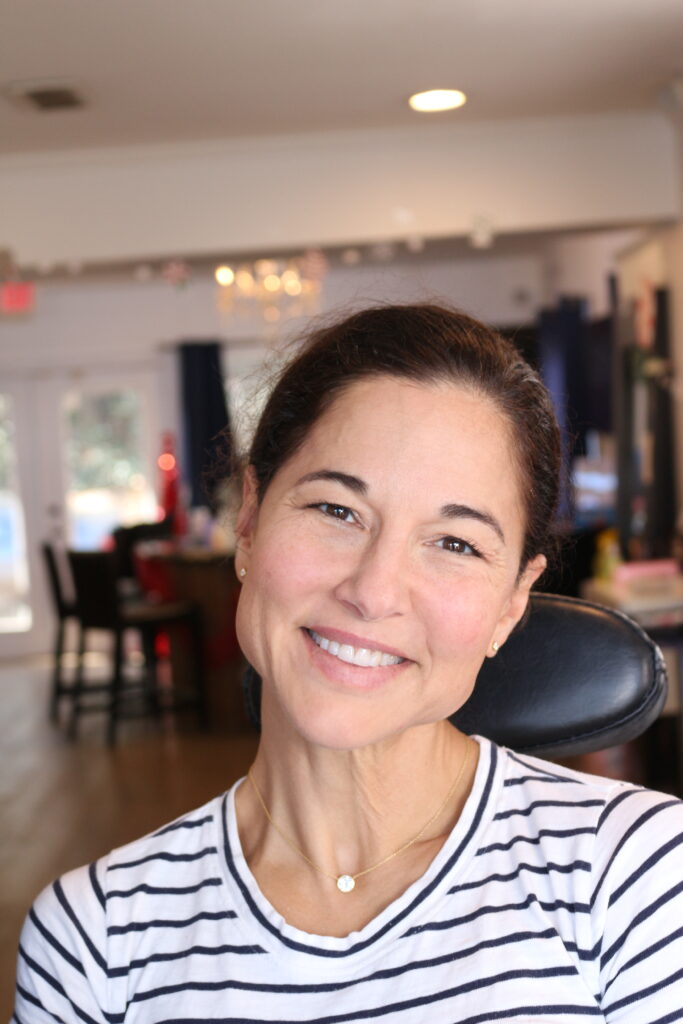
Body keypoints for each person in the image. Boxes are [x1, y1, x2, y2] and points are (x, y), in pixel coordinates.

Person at [13, 304, 683, 1023]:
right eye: (336, 510)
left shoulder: (640, 877)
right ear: (248, 521)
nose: (371, 592)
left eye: (455, 543)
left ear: (511, 605)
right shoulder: (95, 941)